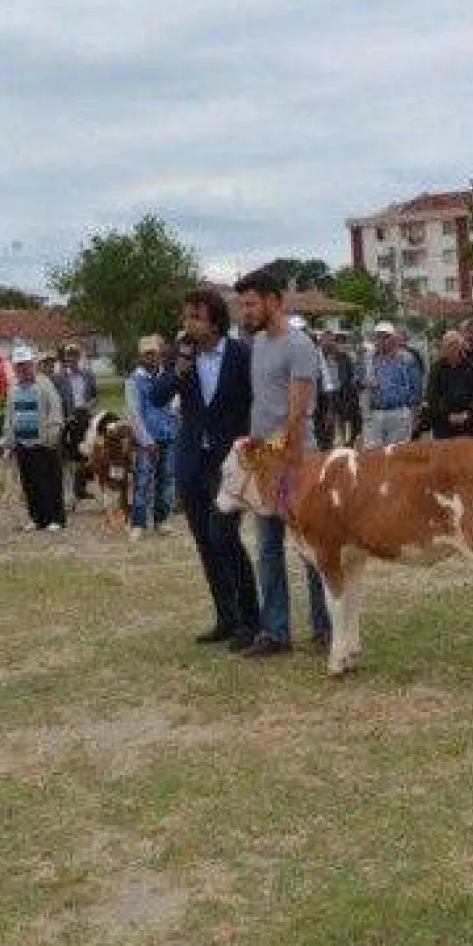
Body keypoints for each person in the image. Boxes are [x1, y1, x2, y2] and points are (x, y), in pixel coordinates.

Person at [150, 289, 261, 648]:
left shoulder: (241, 354)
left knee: (224, 536)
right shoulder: (181, 354)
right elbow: (158, 396)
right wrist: (179, 369)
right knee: (204, 542)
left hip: (228, 461)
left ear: (213, 319)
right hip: (191, 460)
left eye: (195, 317)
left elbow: (255, 402)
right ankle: (225, 618)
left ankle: (250, 619)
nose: (188, 324)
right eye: (185, 317)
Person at [233, 268, 331, 657]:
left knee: (310, 547)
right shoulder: (257, 345)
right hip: (264, 461)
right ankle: (275, 632)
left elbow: (297, 412)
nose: (245, 311)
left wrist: (272, 453)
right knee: (268, 547)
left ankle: (325, 626)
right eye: (241, 305)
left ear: (275, 300)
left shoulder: (300, 344)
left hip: (297, 460)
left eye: (251, 303)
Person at [5, 347, 67, 532]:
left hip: (44, 442)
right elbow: (10, 415)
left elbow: (55, 411)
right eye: (19, 366)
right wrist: (9, 440)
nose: (22, 369)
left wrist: (53, 435)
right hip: (22, 443)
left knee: (49, 481)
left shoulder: (44, 384)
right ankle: (36, 518)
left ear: (32, 365)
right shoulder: (13, 388)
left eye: (26, 365)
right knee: (29, 483)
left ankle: (55, 518)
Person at [124, 334, 179, 538]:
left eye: (154, 354)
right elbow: (133, 413)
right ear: (141, 357)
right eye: (147, 355)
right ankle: (138, 522)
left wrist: (172, 420)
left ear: (160, 355)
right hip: (145, 439)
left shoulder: (168, 376)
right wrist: (146, 440)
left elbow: (175, 403)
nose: (151, 358)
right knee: (142, 480)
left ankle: (161, 520)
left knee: (166, 480)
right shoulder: (134, 380)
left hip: (168, 435)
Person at [362, 321, 421, 448]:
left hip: (399, 413)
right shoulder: (368, 359)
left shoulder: (406, 359)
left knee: (397, 456)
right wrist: (364, 383)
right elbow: (355, 381)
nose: (382, 340)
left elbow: (416, 390)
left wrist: (415, 416)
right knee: (372, 456)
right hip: (374, 413)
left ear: (394, 339)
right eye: (379, 337)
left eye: (386, 337)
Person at [56, 343, 99, 501]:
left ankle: (80, 489)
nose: (72, 359)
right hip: (68, 418)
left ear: (79, 357)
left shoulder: (88, 375)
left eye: (75, 355)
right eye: (69, 355)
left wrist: (90, 406)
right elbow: (56, 401)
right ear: (65, 358)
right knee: (69, 456)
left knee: (85, 453)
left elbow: (95, 396)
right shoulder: (59, 378)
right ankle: (68, 491)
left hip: (85, 416)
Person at [425, 330, 473, 439]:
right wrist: (447, 415)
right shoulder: (436, 369)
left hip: (466, 424)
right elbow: (432, 396)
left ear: (461, 347)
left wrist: (467, 414)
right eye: (448, 345)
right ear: (443, 348)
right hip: (442, 424)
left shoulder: (471, 368)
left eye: (455, 345)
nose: (452, 349)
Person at [314, 330, 358, 449]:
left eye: (331, 340)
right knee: (324, 439)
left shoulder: (344, 358)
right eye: (324, 340)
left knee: (344, 440)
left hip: (342, 401)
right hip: (323, 402)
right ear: (320, 342)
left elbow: (351, 381)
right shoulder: (315, 359)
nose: (328, 343)